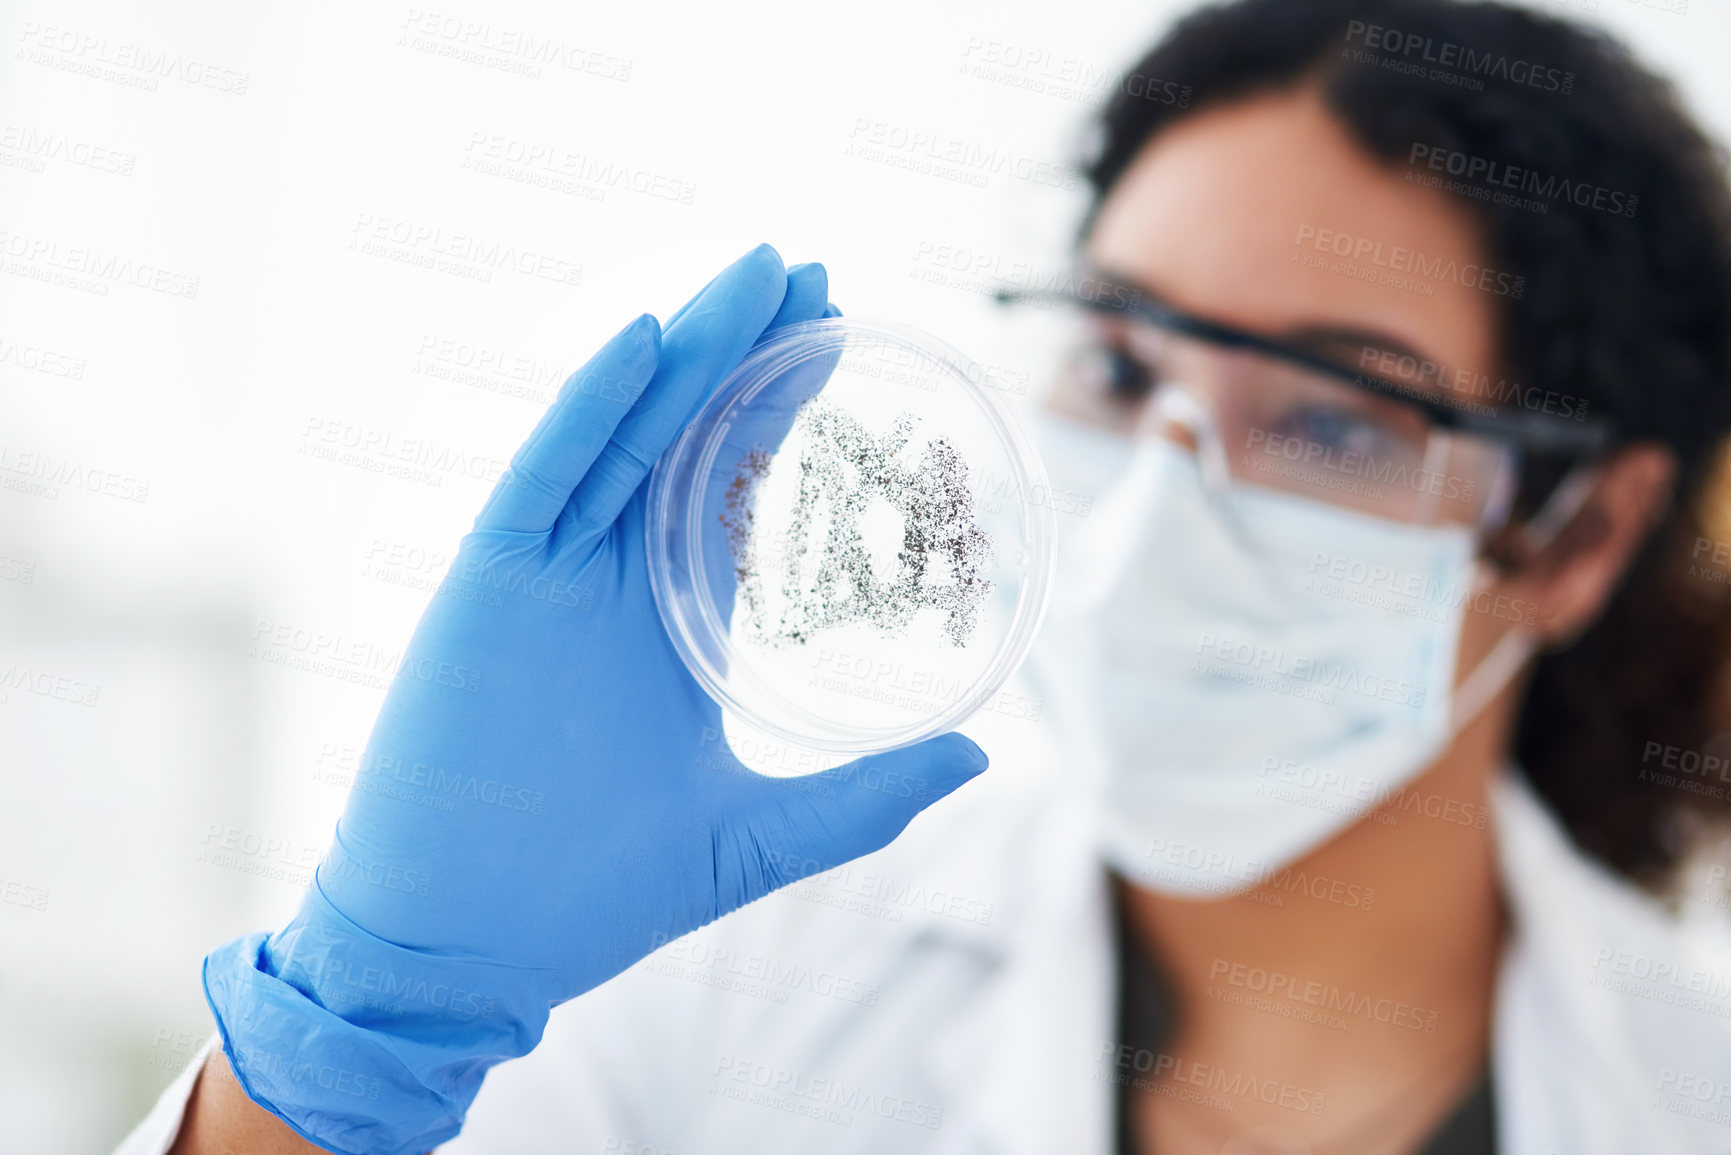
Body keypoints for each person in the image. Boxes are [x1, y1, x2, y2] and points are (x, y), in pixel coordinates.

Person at [118, 0, 1731, 1152]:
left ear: (1578, 534)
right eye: (1114, 362)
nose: (1160, 502)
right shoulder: (711, 990)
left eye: (1333, 416)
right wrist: (346, 1054)